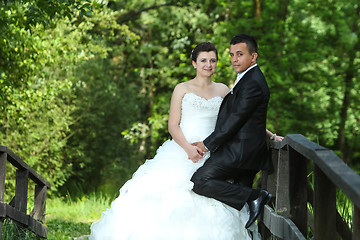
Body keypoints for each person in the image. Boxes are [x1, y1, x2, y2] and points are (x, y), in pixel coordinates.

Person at [89, 42, 280, 240]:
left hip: (213, 151)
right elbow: (173, 126)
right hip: (183, 149)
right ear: (194, 63)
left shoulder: (223, 90)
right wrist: (188, 149)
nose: (208, 65)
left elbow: (240, 119)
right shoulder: (182, 89)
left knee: (209, 191)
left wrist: (271, 135)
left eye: (213, 60)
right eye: (203, 60)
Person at [191, 34, 277, 229]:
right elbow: (247, 117)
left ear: (253, 57)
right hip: (242, 149)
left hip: (241, 152)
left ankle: (256, 196)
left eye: (240, 54)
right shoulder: (247, 77)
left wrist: (206, 145)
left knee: (200, 180)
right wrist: (270, 134)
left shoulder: (253, 82)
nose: (234, 59)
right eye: (231, 55)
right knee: (240, 215)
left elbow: (235, 120)